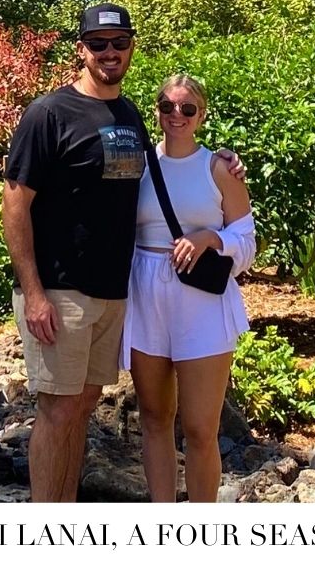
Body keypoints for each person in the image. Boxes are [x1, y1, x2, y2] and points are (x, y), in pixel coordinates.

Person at [1, 4, 241, 502]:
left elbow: (170, 171)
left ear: (131, 47)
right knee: (58, 409)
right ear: (81, 49)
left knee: (84, 404)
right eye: (99, 43)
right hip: (60, 290)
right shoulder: (49, 114)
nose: (110, 52)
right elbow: (15, 203)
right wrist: (34, 293)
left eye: (119, 42)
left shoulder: (129, 116)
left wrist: (223, 162)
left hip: (116, 293)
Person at [125, 74, 255, 503]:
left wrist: (209, 239)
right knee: (155, 417)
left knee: (201, 427)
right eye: (167, 107)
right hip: (146, 292)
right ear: (157, 111)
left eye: (187, 108)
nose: (176, 116)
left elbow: (247, 241)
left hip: (199, 299)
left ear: (201, 114)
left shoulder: (218, 168)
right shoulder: (139, 164)